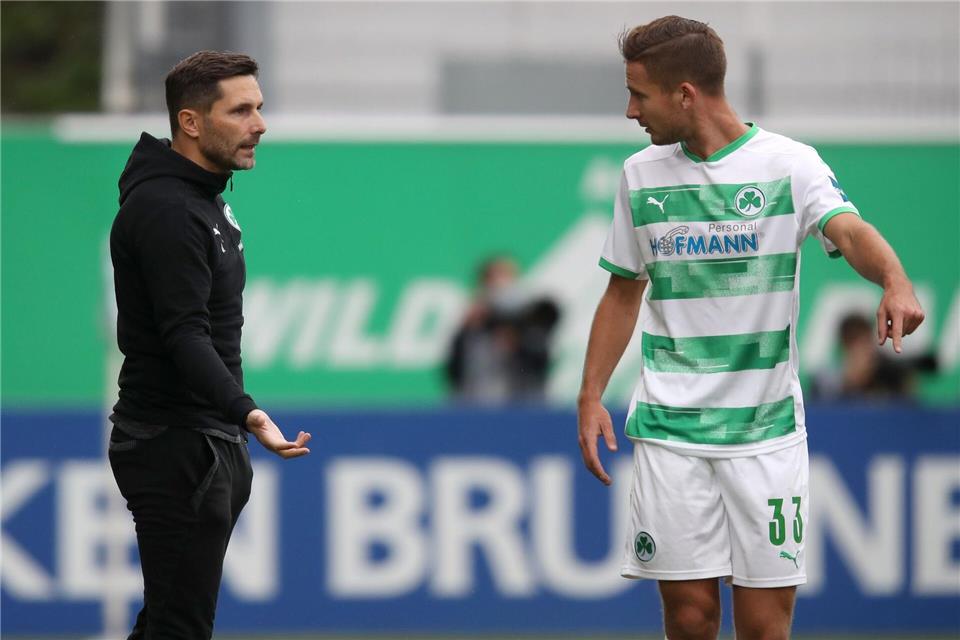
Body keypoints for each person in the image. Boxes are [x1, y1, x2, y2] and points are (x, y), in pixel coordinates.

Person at [576, 17, 924, 640]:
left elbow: (849, 230)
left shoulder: (790, 164)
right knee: (690, 617)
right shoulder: (640, 176)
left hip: (765, 436)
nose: (630, 111)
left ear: (685, 93)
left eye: (639, 94)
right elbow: (623, 291)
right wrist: (591, 393)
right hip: (671, 432)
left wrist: (894, 280)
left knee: (764, 627)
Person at [109, 51, 311, 639]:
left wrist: (231, 424)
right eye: (241, 110)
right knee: (180, 626)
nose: (260, 124)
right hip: (175, 444)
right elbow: (184, 335)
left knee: (172, 624)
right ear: (191, 123)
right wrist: (246, 411)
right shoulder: (167, 209)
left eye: (260, 108)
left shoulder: (202, 200)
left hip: (204, 440)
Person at [444, 256, 560, 404]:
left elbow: (541, 364)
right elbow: (454, 373)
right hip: (479, 407)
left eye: (506, 279)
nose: (502, 288)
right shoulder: (473, 327)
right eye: (494, 281)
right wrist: (469, 328)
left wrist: (519, 338)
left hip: (525, 408)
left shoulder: (529, 322)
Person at [810, 312, 937, 402]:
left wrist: (904, 383)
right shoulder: (827, 377)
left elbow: (909, 407)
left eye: (866, 342)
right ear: (845, 345)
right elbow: (818, 405)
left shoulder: (883, 372)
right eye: (857, 342)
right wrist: (850, 382)